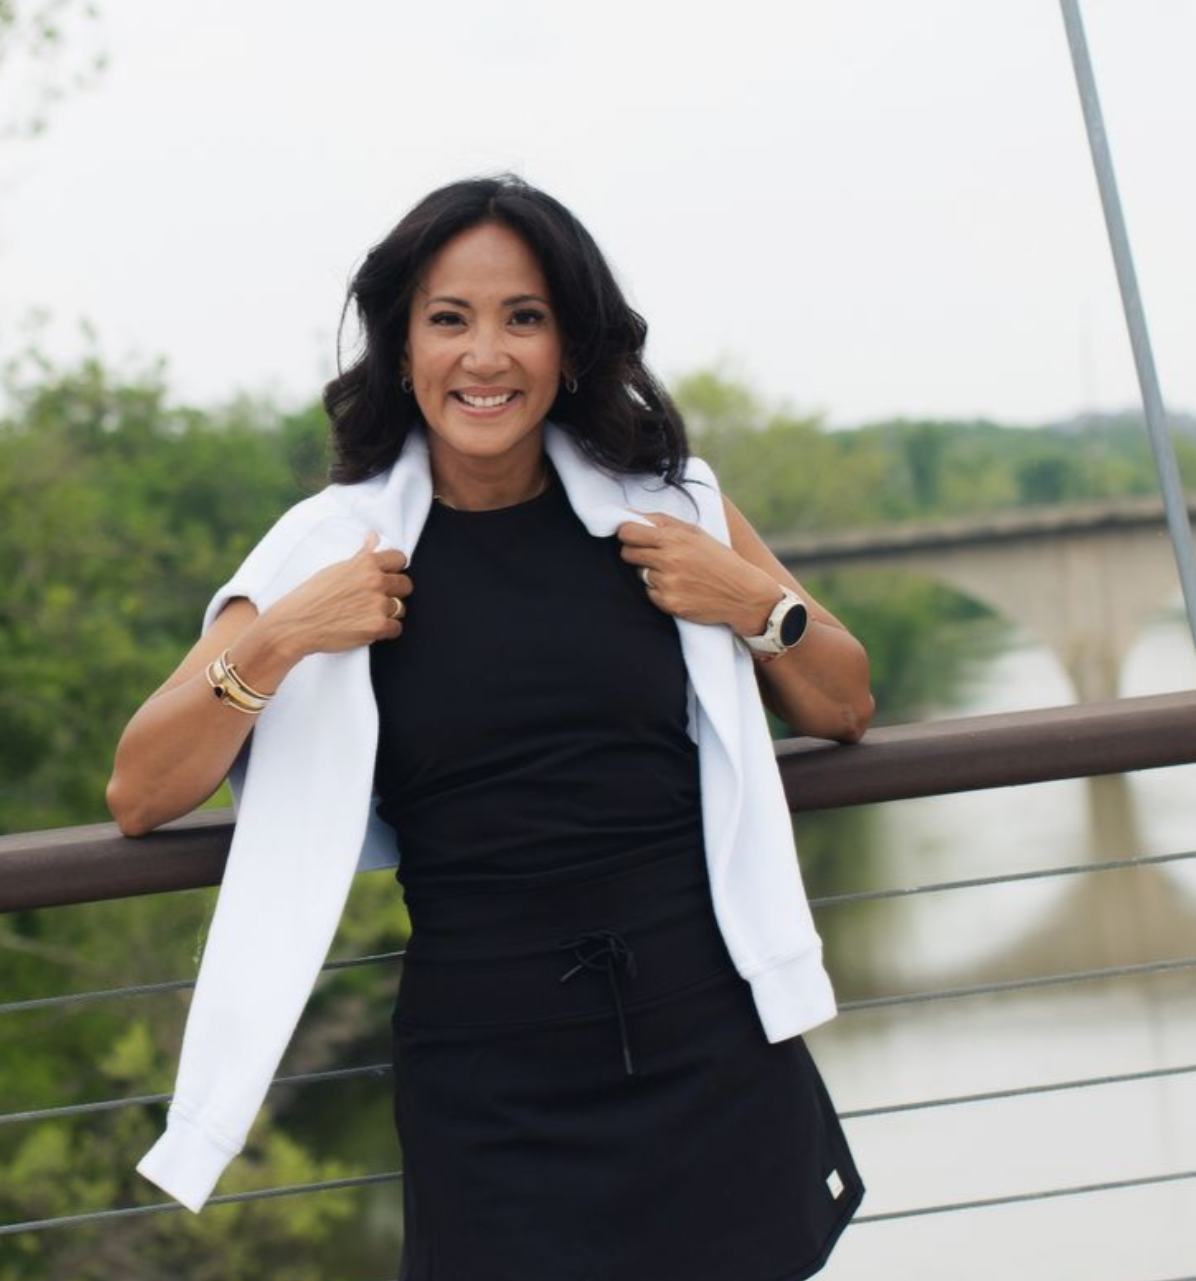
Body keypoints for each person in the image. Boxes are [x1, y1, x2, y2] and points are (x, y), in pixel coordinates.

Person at [107, 174, 873, 1281]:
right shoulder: (328, 546)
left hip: (710, 1041)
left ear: (569, 344)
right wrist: (275, 643)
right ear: (401, 347)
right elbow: (140, 791)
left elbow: (842, 704)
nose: (486, 355)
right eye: (449, 319)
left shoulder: (671, 508)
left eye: (523, 317)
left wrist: (751, 602)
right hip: (489, 1080)